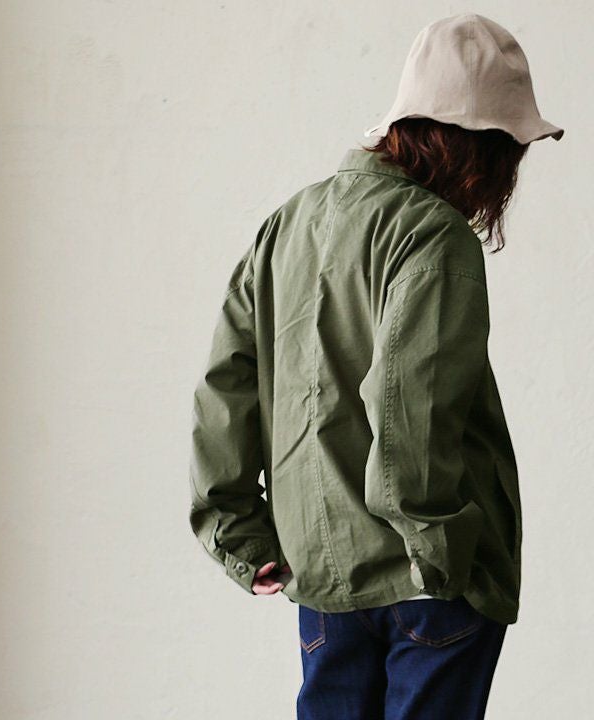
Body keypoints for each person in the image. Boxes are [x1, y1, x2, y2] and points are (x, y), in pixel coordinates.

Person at [188, 13, 563, 720]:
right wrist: (440, 555)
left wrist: (239, 532)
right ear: (477, 145)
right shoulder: (433, 233)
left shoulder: (288, 224)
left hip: (325, 585)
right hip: (428, 588)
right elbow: (411, 404)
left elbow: (226, 386)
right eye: (510, 150)